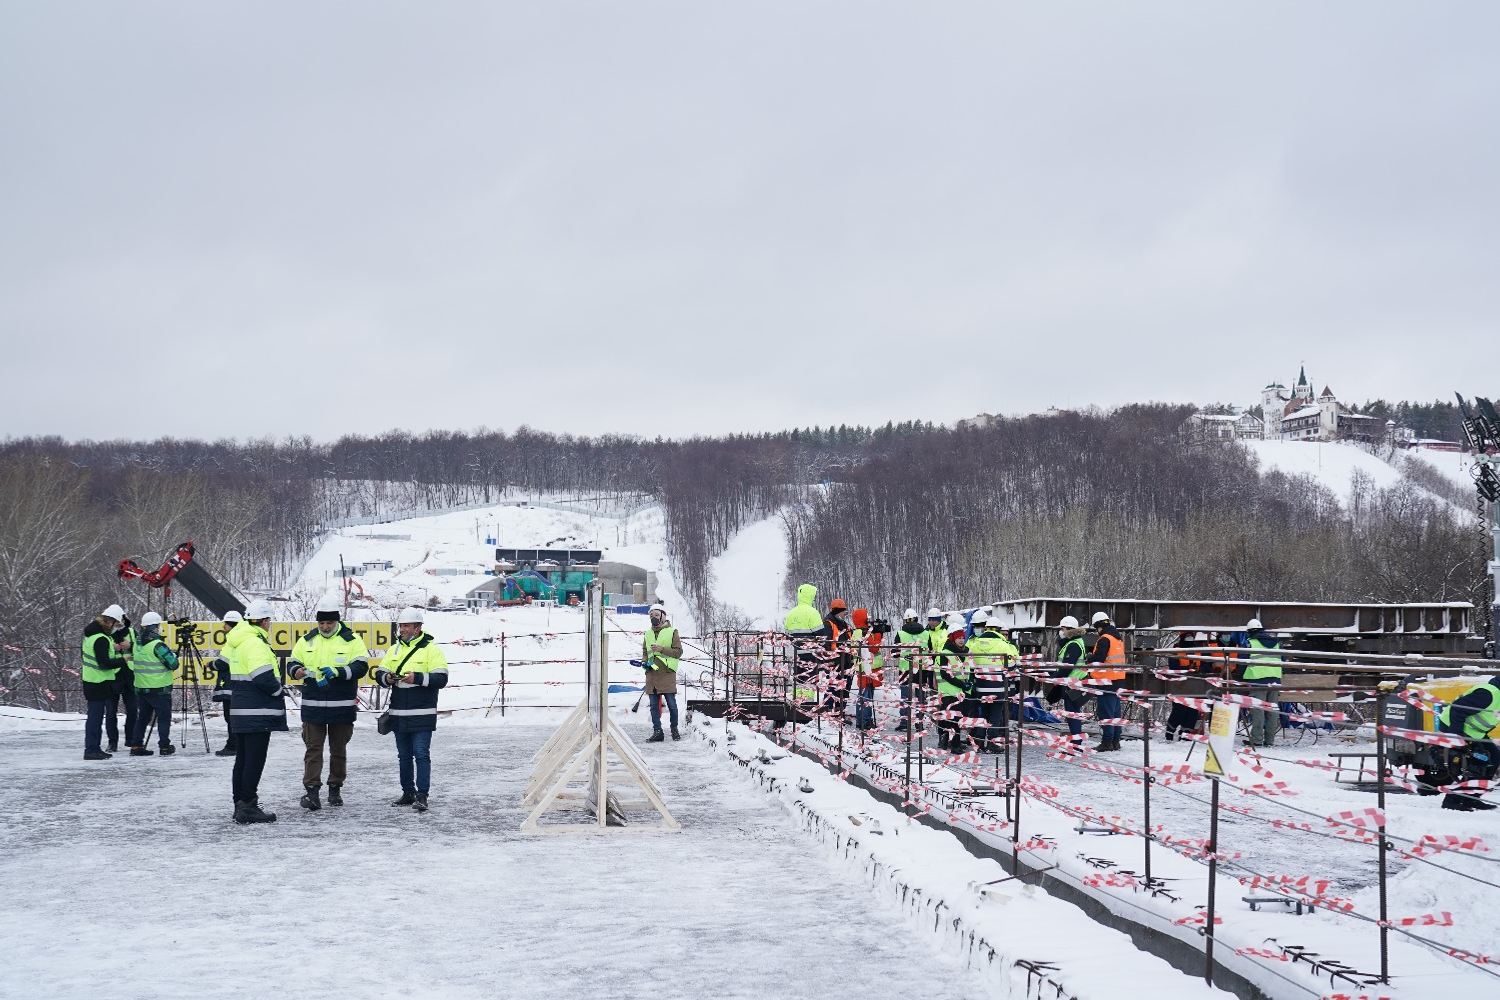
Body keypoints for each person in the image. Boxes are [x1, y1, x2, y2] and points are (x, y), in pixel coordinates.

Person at [288, 596, 370, 809]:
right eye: (322, 623)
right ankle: (312, 792)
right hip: (313, 706)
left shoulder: (352, 640)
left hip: (341, 707)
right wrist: (297, 671)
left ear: (337, 621)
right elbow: (292, 663)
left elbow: (361, 667)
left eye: (329, 623)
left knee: (338, 750)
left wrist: (338, 672)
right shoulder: (307, 640)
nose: (325, 627)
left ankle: (335, 788)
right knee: (313, 750)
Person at [374, 607, 449, 812]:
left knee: (421, 754)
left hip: (422, 714)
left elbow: (441, 679)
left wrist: (417, 677)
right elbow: (379, 674)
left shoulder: (432, 650)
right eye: (401, 626)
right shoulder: (394, 650)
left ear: (418, 628)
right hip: (399, 713)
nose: (402, 630)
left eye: (406, 626)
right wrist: (387, 678)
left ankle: (422, 796)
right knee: (404, 756)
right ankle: (408, 793)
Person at [228, 600, 287, 824]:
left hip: (242, 709)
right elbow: (262, 677)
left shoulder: (240, 641)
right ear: (263, 621)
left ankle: (240, 804)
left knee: (243, 760)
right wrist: (278, 690)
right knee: (254, 760)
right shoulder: (255, 643)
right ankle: (248, 805)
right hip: (257, 711)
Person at [1437, 674, 1500, 812]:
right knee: (1477, 764)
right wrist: (1456, 736)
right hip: (1456, 728)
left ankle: (1472, 798)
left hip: (1475, 732)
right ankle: (1452, 801)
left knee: (1494, 757)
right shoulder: (1488, 694)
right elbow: (1457, 708)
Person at [81, 604, 131, 760]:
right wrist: (122, 660)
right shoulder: (101, 639)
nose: (116, 627)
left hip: (92, 681)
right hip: (98, 683)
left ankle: (94, 748)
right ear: (109, 622)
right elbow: (104, 663)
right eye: (115, 624)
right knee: (95, 719)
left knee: (95, 718)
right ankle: (91, 750)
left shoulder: (92, 636)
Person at [128, 612, 180, 756]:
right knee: (163, 718)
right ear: (154, 628)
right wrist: (173, 655)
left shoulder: (137, 645)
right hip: (159, 689)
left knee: (143, 718)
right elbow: (173, 664)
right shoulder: (158, 645)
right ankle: (164, 746)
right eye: (158, 625)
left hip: (142, 688)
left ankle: (136, 745)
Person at [967, 611, 1018, 752]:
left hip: (980, 686)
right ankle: (992, 742)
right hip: (998, 687)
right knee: (995, 715)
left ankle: (979, 741)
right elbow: (1011, 665)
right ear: (998, 629)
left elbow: (970, 665)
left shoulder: (975, 644)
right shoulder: (1002, 645)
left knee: (983, 713)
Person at [1048, 616, 1091, 752]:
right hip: (1073, 683)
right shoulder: (1074, 642)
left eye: (1062, 629)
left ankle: (1075, 744)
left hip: (1072, 684)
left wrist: (1055, 678)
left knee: (1072, 715)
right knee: (1073, 714)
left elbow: (1067, 666)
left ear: (1069, 629)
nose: (1061, 631)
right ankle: (1075, 743)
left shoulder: (1073, 644)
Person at [783, 584, 829, 708]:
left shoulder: (791, 613)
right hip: (810, 654)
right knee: (810, 679)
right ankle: (807, 705)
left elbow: (787, 633)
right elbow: (821, 636)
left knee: (798, 679)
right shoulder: (812, 612)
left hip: (796, 653)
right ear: (810, 596)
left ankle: (797, 703)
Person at [1086, 611, 1128, 752]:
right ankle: (1116, 741)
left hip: (1106, 680)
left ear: (1098, 626)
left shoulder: (1104, 639)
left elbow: (1099, 658)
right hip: (1118, 679)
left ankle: (1107, 742)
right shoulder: (1117, 639)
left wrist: (1089, 657)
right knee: (1115, 713)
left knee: (1106, 713)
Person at [641, 604, 682, 742]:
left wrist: (662, 649)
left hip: (667, 672)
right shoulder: (648, 633)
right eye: (651, 615)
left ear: (663, 617)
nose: (653, 618)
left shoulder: (672, 631)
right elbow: (645, 652)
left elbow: (678, 652)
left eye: (656, 615)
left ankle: (674, 730)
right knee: (653, 706)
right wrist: (644, 662)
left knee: (672, 705)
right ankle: (657, 731)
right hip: (652, 673)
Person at [1239, 619, 1283, 748]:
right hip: (1275, 681)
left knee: (1257, 711)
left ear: (1249, 631)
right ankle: (1270, 740)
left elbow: (1241, 662)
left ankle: (1257, 740)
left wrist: (1242, 676)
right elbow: (1283, 660)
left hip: (1257, 680)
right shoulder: (1276, 643)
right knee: (1272, 711)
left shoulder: (1250, 643)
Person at [935, 615, 972, 752]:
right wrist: (962, 684)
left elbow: (966, 671)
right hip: (949, 691)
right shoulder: (946, 653)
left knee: (953, 718)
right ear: (952, 638)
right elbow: (945, 674)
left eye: (963, 637)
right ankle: (955, 745)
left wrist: (968, 683)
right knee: (953, 719)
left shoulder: (964, 652)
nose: (961, 640)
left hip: (960, 691)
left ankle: (947, 741)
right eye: (958, 638)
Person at [1163, 633, 1209, 741]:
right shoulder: (1176, 650)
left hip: (1196, 686)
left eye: (1191, 636)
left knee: (1192, 713)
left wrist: (1198, 669)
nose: (1189, 638)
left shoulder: (1199, 651)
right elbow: (1173, 667)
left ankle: (1185, 736)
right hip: (1180, 686)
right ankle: (1169, 733)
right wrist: (1188, 668)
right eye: (1187, 636)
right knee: (1179, 711)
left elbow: (1207, 666)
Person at [210, 610, 242, 756]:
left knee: (231, 718)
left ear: (232, 625)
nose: (223, 627)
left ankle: (233, 745)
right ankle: (237, 744)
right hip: (238, 685)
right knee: (235, 717)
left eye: (226, 624)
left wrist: (211, 665)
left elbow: (223, 663)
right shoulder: (243, 639)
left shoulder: (232, 641)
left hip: (230, 685)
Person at [106, 612, 139, 753]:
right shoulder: (105, 634)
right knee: (110, 712)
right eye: (117, 621)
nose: (120, 623)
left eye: (122, 620)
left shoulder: (131, 632)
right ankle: (112, 742)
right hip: (112, 676)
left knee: (133, 709)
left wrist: (130, 645)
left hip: (129, 676)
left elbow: (142, 649)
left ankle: (130, 739)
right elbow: (100, 653)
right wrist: (111, 647)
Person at [892, 609, 926, 730]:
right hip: (921, 669)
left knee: (905, 696)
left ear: (905, 621)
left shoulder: (901, 634)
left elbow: (895, 653)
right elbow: (930, 651)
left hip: (905, 669)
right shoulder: (926, 633)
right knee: (920, 697)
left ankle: (904, 723)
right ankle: (919, 723)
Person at [850, 609, 883, 730]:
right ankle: (865, 721)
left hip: (863, 667)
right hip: (867, 667)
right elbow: (874, 648)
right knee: (866, 695)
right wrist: (878, 634)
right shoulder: (863, 633)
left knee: (863, 694)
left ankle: (861, 720)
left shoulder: (857, 632)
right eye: (867, 618)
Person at [822, 598, 852, 719]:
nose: (845, 614)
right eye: (843, 611)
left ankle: (840, 715)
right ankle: (829, 716)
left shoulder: (845, 626)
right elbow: (826, 644)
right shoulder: (827, 624)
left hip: (846, 663)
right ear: (837, 612)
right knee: (833, 690)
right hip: (834, 663)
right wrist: (830, 660)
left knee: (844, 691)